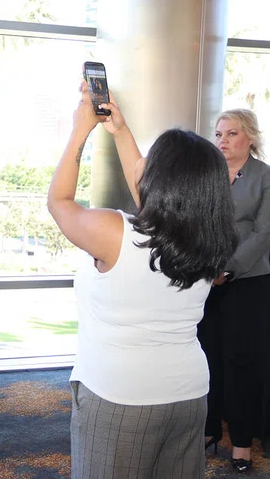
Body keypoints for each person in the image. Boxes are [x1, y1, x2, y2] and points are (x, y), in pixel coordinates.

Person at [48, 82, 238, 478]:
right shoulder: (206, 242)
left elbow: (60, 203)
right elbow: (155, 201)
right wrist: (119, 131)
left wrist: (79, 130)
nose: (145, 161)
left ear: (162, 179)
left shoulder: (113, 231)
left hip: (121, 397)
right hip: (188, 394)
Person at [197, 108, 270, 472]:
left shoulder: (265, 177)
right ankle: (209, 430)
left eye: (232, 134)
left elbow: (263, 233)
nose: (222, 141)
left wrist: (228, 268)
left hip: (248, 281)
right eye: (219, 134)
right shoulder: (207, 175)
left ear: (251, 138)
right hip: (203, 281)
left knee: (241, 361)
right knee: (206, 356)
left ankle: (241, 441)